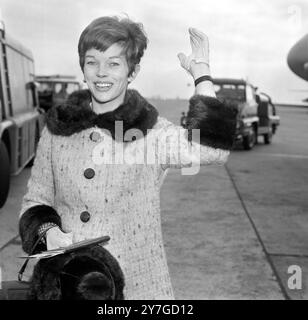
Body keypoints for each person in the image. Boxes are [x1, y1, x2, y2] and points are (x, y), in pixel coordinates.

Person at [19, 16, 236, 300]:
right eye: (92, 61)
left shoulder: (150, 132)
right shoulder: (57, 129)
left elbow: (211, 148)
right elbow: (36, 200)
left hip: (136, 286)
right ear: (82, 68)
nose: (101, 73)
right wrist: (47, 232)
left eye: (113, 63)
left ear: (132, 72)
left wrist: (202, 75)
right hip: (64, 285)